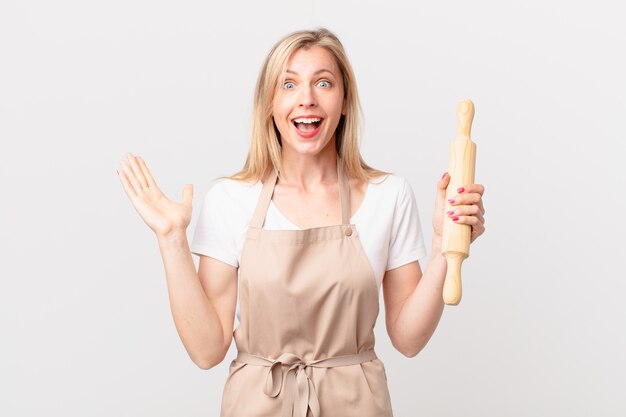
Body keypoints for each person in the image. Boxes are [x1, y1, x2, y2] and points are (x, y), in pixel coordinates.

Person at [117, 27, 485, 417]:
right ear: (269, 104)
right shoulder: (230, 199)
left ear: (344, 101)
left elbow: (409, 339)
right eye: (288, 84)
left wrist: (445, 247)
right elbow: (207, 350)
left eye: (323, 83)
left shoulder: (388, 195)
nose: (306, 99)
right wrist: (171, 239)